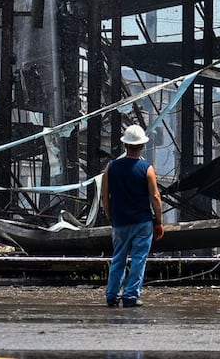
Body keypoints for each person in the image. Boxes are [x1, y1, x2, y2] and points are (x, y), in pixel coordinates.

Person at [100, 123, 163, 307]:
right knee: (138, 260)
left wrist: (111, 217)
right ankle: (130, 296)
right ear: (142, 145)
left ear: (125, 145)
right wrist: (159, 222)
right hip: (142, 222)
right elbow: (155, 197)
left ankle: (112, 295)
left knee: (118, 258)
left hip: (120, 221)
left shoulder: (110, 168)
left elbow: (105, 196)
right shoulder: (147, 169)